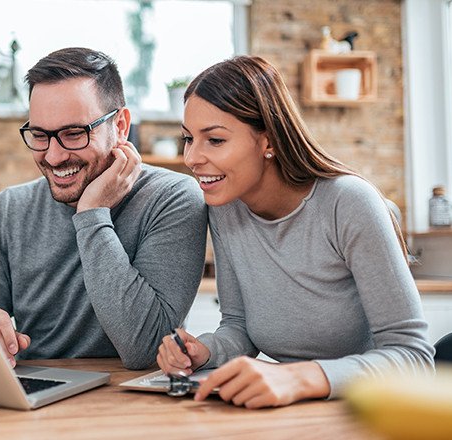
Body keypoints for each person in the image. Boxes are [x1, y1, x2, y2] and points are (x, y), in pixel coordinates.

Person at [156, 55, 434, 407]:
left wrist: (300, 377)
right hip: (288, 408)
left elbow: (414, 357)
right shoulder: (226, 208)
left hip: (371, 410)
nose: (192, 157)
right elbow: (239, 327)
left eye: (214, 140)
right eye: (187, 139)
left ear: (268, 141)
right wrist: (204, 350)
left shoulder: (348, 203)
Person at [0, 47, 208, 370]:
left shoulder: (172, 198)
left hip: (133, 403)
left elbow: (147, 349)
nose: (53, 156)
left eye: (74, 134)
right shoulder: (9, 209)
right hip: (35, 397)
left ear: (120, 126)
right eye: (40, 135)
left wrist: (92, 213)